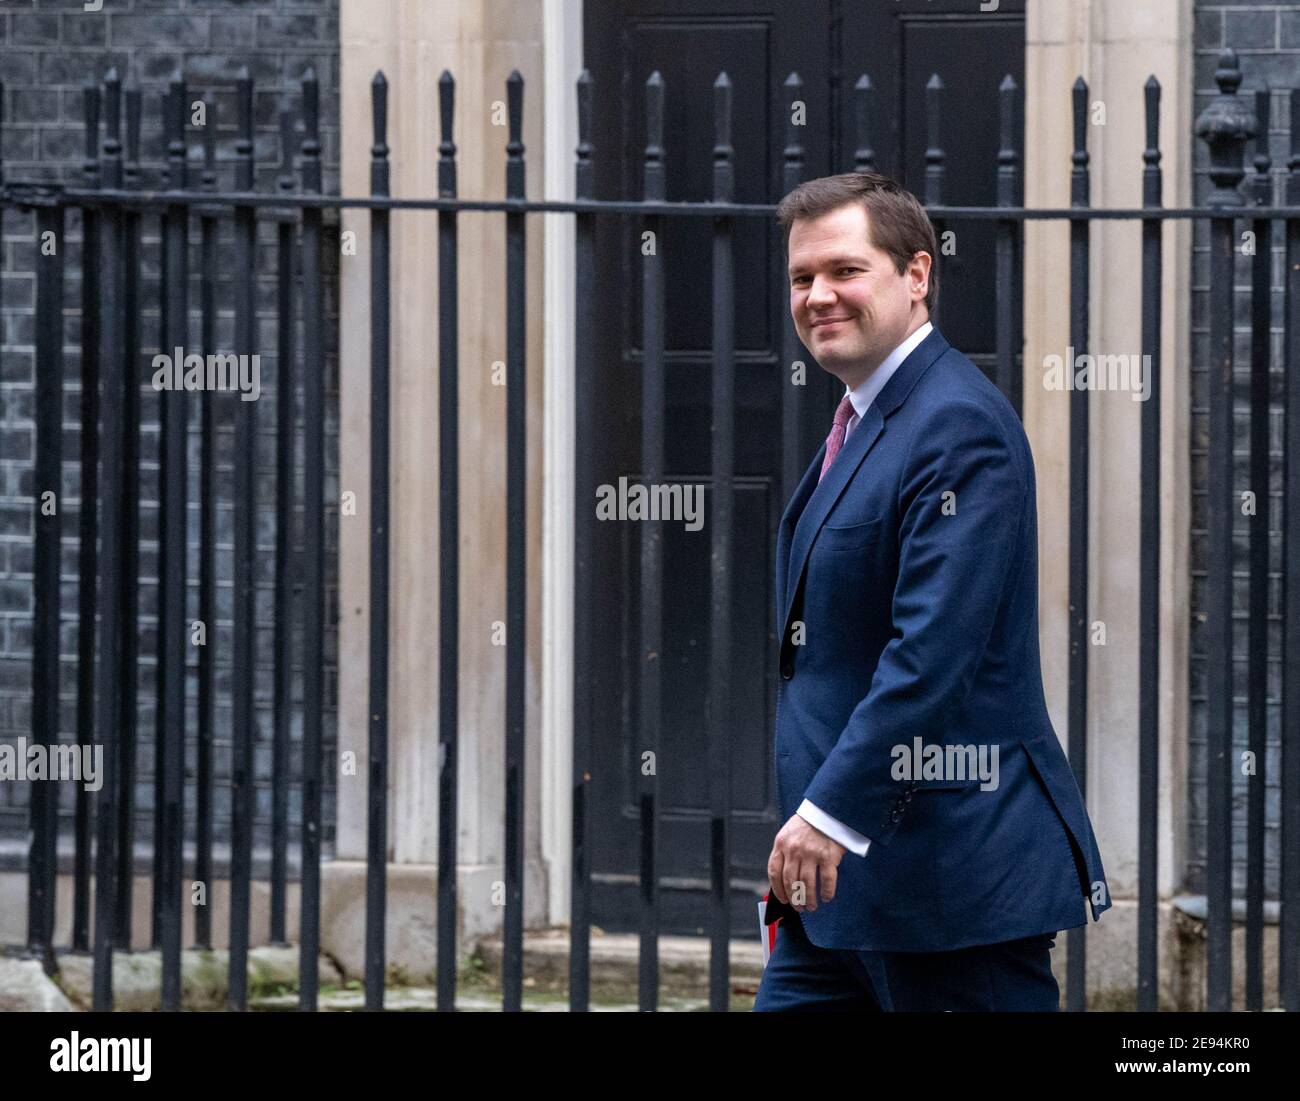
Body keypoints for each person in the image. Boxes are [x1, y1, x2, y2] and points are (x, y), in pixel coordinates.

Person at [755, 172, 1110, 1012]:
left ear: (917, 275)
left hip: (951, 894)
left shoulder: (957, 422)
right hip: (839, 900)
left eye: (845, 270)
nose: (818, 295)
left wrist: (830, 815)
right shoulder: (867, 419)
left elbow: (932, 654)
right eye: (802, 278)